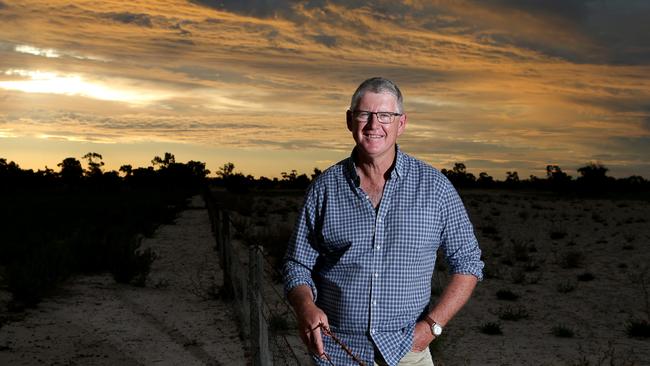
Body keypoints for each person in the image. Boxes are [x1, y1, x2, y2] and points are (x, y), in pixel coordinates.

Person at [283, 77, 483, 366]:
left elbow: (468, 263)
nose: (374, 125)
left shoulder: (435, 188)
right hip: (336, 351)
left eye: (385, 115)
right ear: (350, 120)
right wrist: (305, 306)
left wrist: (431, 328)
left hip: (406, 352)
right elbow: (297, 264)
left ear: (401, 123)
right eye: (364, 114)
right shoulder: (325, 188)